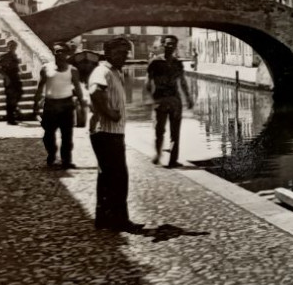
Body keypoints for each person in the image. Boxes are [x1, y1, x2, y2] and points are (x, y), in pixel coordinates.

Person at [87, 37, 141, 232]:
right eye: (120, 53)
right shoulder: (103, 71)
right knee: (119, 177)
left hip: (110, 132)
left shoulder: (115, 72)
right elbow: (94, 92)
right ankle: (120, 220)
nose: (124, 57)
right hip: (106, 132)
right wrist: (109, 113)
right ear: (108, 53)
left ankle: (103, 218)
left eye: (126, 53)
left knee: (107, 176)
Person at [31, 43, 85, 169]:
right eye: (57, 51)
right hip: (50, 106)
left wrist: (82, 105)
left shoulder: (73, 70)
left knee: (67, 135)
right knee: (48, 135)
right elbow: (40, 88)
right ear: (53, 53)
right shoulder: (46, 68)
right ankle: (51, 155)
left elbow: (78, 89)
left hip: (66, 105)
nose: (59, 54)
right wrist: (35, 105)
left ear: (67, 54)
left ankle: (66, 160)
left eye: (62, 51)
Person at [145, 35, 195, 167]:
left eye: (173, 44)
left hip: (174, 100)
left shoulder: (177, 64)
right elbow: (148, 81)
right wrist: (150, 98)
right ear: (162, 45)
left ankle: (173, 160)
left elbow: (182, 82)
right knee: (159, 130)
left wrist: (188, 98)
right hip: (160, 99)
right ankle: (158, 154)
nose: (170, 46)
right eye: (168, 44)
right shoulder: (154, 62)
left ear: (175, 46)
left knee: (175, 132)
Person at [0, 39, 24, 125]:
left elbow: (15, 66)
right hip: (9, 79)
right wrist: (6, 77)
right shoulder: (5, 56)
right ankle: (10, 119)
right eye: (11, 46)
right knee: (10, 99)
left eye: (14, 46)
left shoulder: (14, 55)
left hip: (15, 78)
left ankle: (15, 108)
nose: (13, 48)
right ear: (8, 47)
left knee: (20, 93)